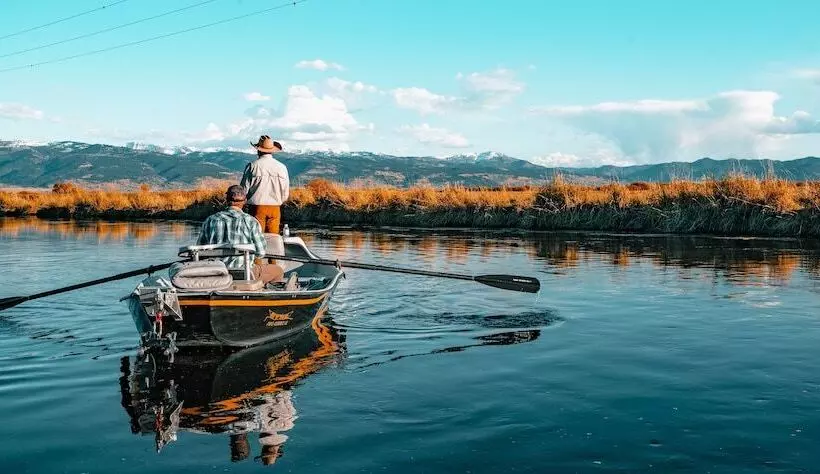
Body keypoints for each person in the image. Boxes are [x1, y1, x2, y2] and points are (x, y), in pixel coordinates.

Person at [197, 185, 285, 284]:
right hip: (244, 273)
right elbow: (260, 253)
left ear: (226, 200)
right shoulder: (251, 221)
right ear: (244, 201)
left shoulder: (210, 220)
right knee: (278, 271)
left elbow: (200, 251)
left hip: (217, 273)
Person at [241, 135, 290, 234]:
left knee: (256, 237)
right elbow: (285, 192)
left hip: (256, 208)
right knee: (273, 239)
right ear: (272, 151)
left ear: (258, 150)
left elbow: (243, 190)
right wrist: (280, 201)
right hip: (275, 208)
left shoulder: (252, 166)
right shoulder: (282, 167)